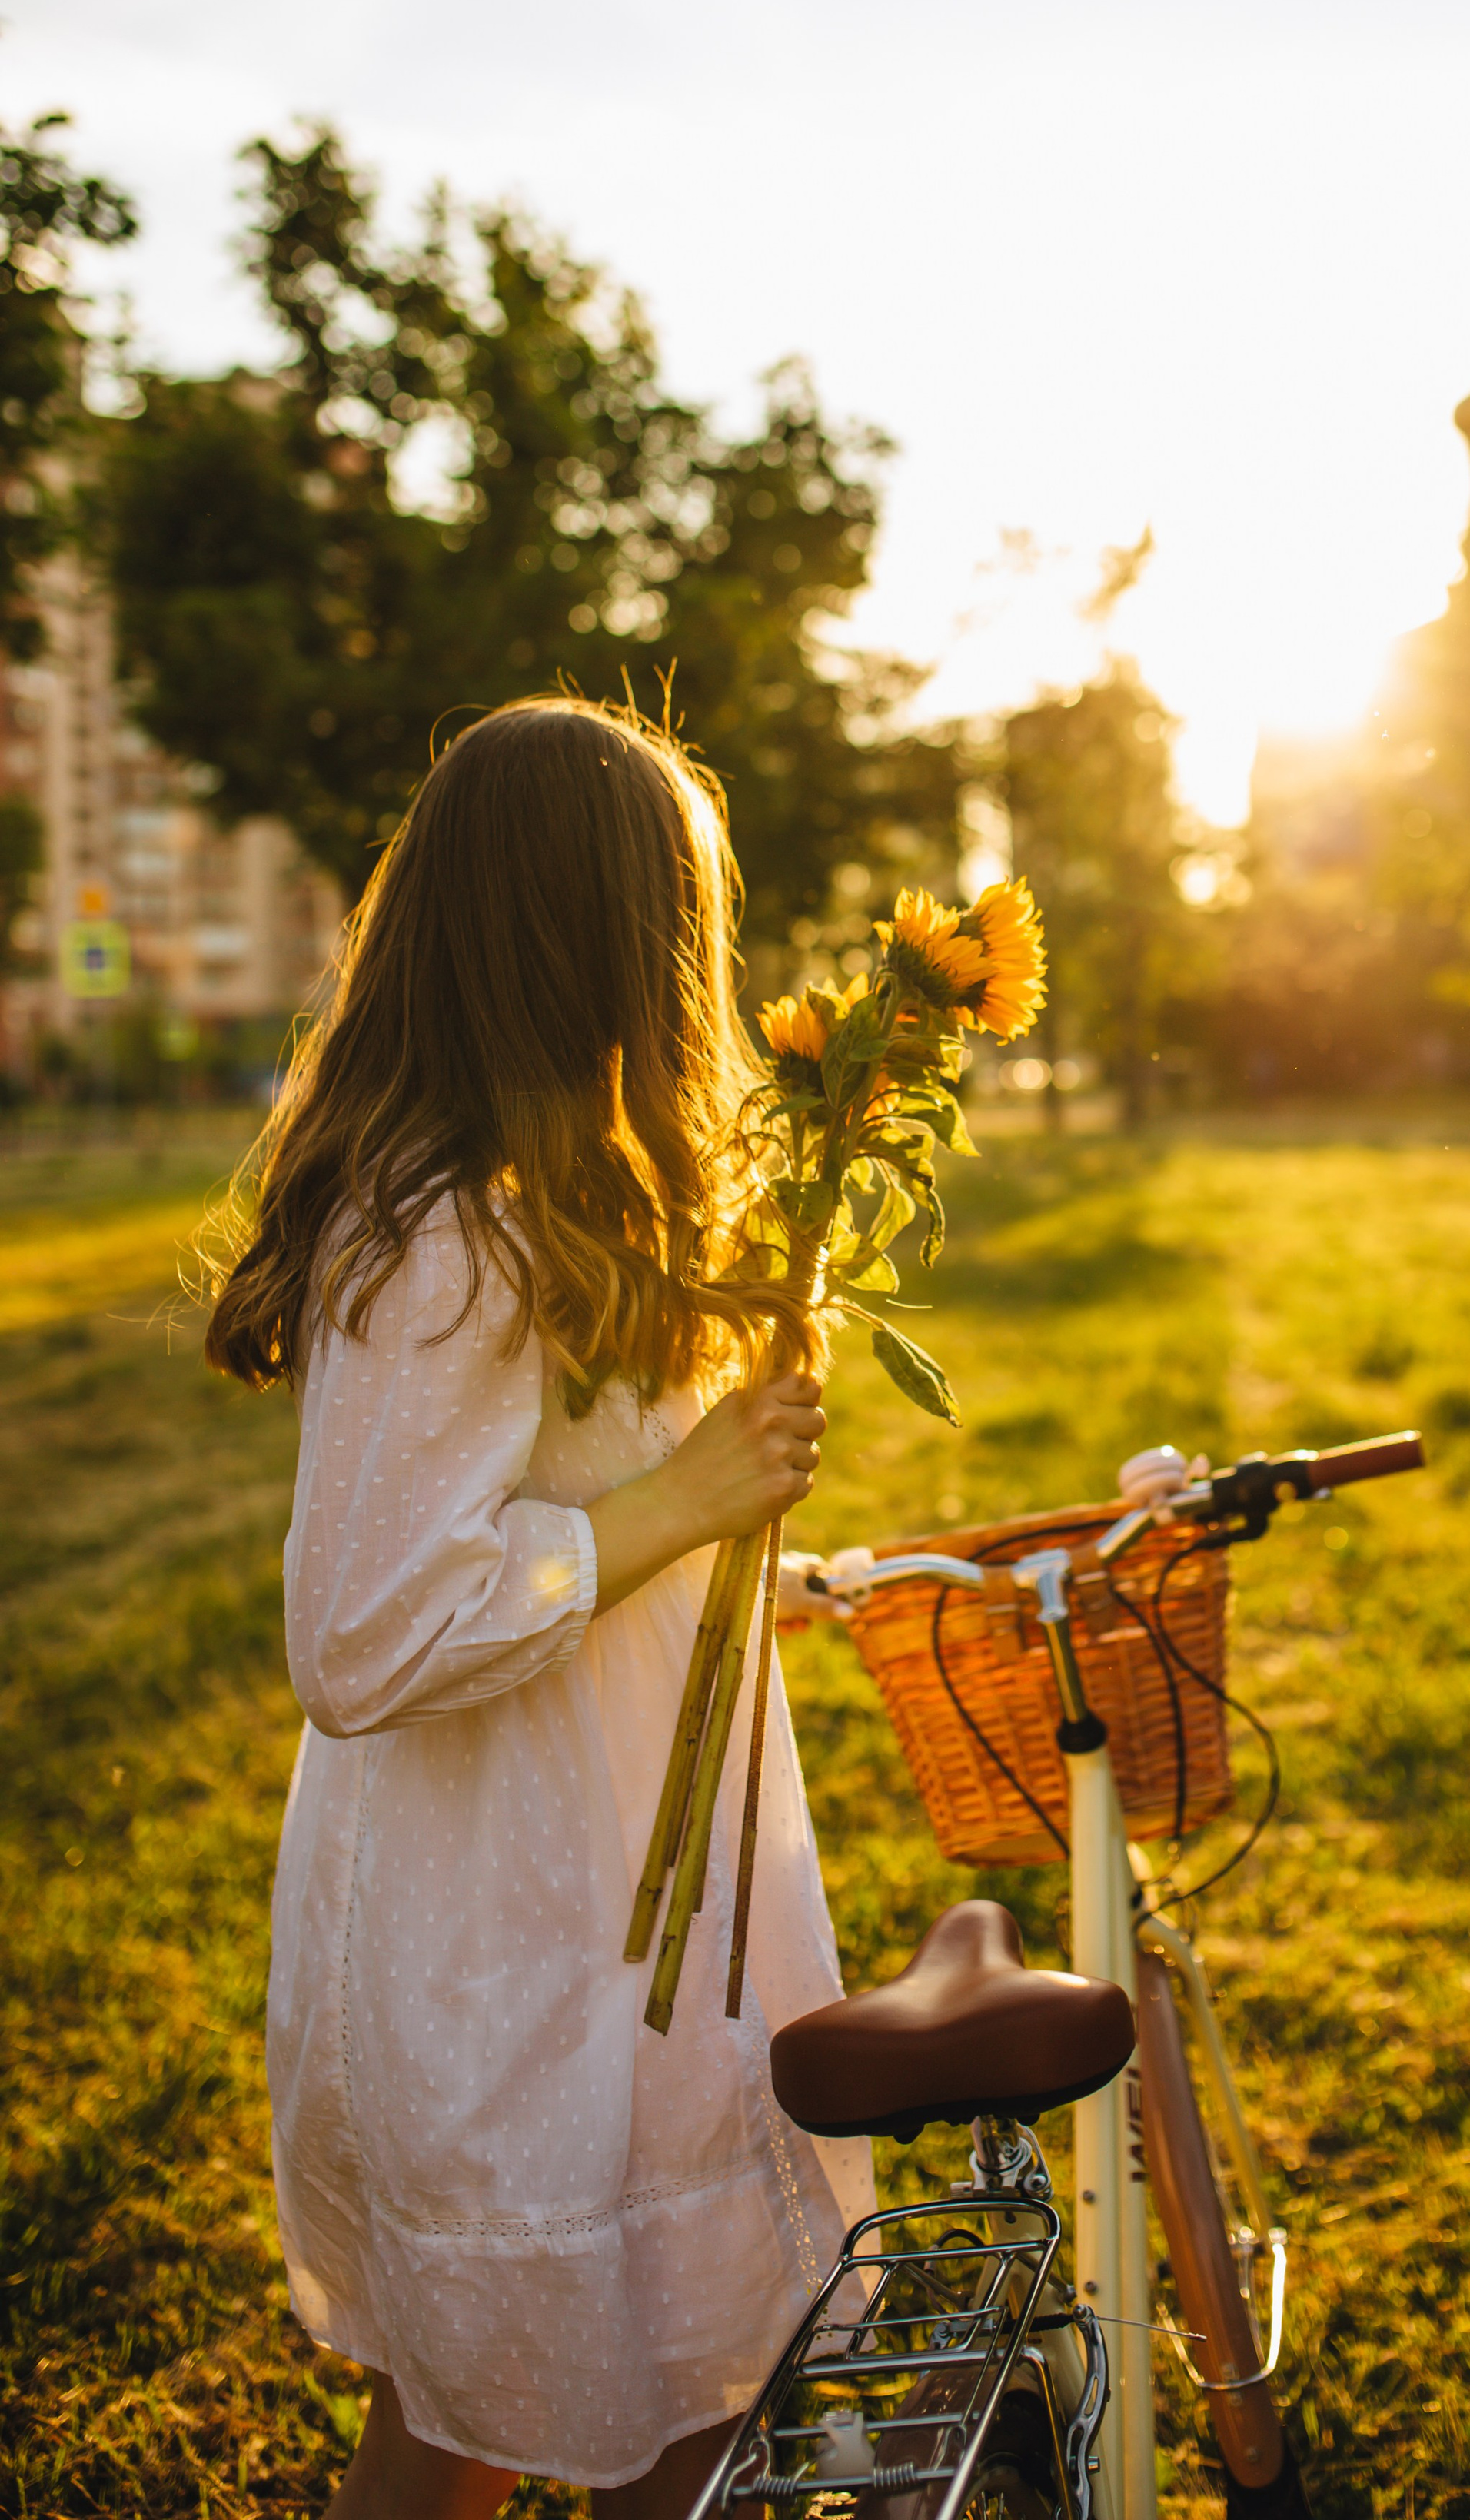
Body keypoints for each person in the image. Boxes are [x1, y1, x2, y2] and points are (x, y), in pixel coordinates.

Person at [205, 699, 872, 2517]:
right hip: (508, 1928)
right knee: (564, 2401)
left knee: (639, 2386)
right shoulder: (441, 1229)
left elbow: (565, 1524)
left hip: (617, 1920)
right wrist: (678, 1500)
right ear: (597, 937)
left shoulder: (558, 1196)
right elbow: (362, 1636)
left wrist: (761, 1572)